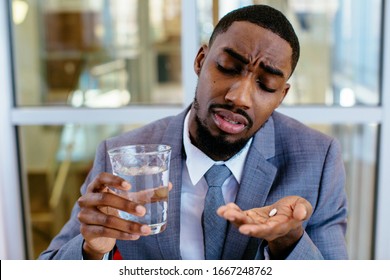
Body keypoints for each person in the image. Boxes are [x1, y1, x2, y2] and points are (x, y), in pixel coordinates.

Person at [39, 4, 348, 260]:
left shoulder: (318, 161)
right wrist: (91, 250)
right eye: (227, 67)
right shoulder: (122, 155)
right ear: (201, 61)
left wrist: (289, 239)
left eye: (265, 85)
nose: (239, 97)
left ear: (281, 95)